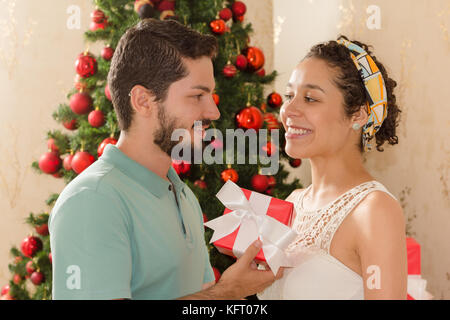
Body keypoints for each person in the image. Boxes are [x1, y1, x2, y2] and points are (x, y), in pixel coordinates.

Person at [49, 18, 281, 300]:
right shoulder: (92, 200)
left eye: (211, 96)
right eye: (197, 96)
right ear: (143, 101)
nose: (214, 113)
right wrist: (227, 292)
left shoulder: (183, 196)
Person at [257, 36, 407, 300]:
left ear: (358, 115)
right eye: (290, 95)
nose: (289, 110)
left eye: (310, 98)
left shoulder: (374, 210)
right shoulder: (292, 204)